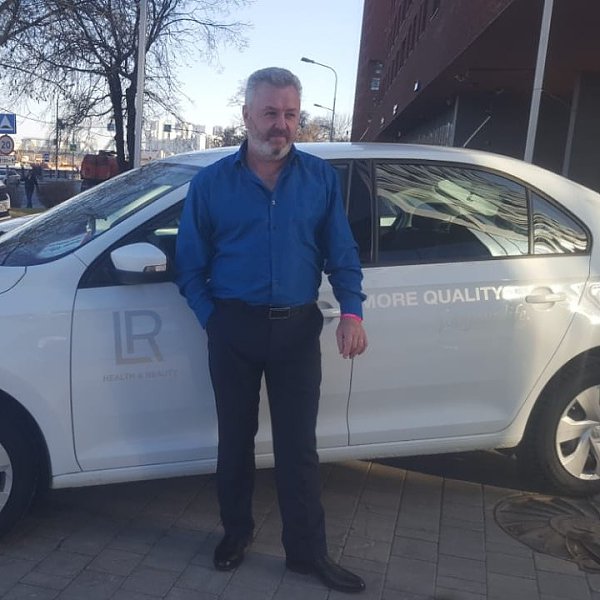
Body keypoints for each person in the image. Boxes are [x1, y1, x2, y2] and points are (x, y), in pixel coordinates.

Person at [176, 67, 368, 594]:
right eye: (270, 113)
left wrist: (352, 311)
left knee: (298, 448)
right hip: (233, 328)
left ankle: (307, 553)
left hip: (296, 331)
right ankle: (235, 534)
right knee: (235, 442)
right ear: (246, 116)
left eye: (290, 114)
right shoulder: (211, 184)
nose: (281, 125)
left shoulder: (319, 180)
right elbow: (188, 265)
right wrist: (213, 320)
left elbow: (342, 253)